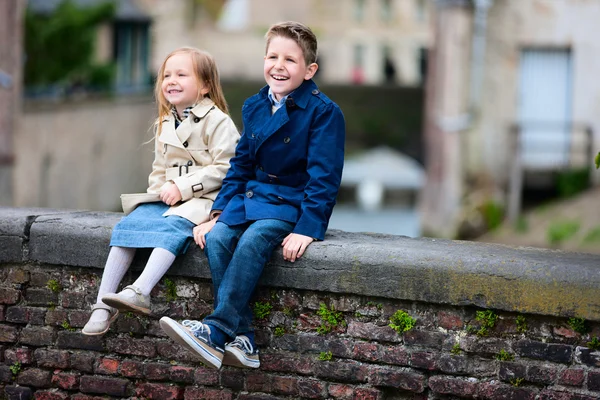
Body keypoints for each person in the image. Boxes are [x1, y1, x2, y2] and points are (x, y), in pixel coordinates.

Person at [159, 21, 345, 370]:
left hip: (291, 199)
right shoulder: (255, 105)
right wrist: (218, 212)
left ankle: (215, 330)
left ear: (309, 70)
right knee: (217, 239)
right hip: (253, 194)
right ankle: (243, 339)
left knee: (254, 239)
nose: (279, 65)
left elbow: (325, 177)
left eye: (290, 60)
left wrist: (307, 228)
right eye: (272, 56)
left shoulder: (324, 112)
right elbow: (240, 166)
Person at [82, 47, 239, 336]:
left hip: (204, 199)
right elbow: (159, 169)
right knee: (129, 226)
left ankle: (141, 290)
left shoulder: (218, 121)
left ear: (204, 86)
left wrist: (182, 187)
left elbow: (227, 167)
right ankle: (102, 306)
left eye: (182, 74)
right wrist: (155, 197)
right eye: (167, 75)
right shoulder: (165, 121)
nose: (171, 80)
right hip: (170, 197)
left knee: (172, 229)